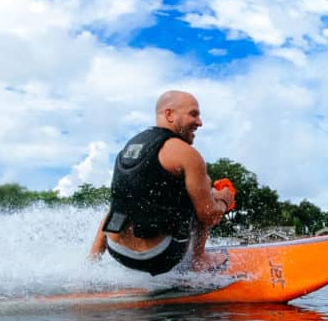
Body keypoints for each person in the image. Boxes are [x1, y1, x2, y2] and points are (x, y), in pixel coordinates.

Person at [89, 90, 235, 275]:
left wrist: (88, 271)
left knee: (126, 198)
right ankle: (200, 259)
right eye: (193, 114)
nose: (199, 122)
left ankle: (91, 261)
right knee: (206, 189)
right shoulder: (187, 154)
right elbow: (209, 215)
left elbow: (115, 208)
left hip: (117, 252)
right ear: (169, 114)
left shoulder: (131, 146)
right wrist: (223, 200)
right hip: (159, 256)